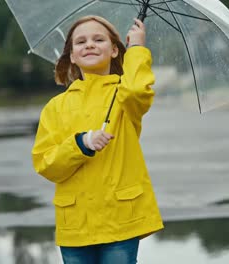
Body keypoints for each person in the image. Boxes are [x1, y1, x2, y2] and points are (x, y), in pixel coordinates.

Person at [32, 15, 163, 264]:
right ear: (71, 55)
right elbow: (46, 164)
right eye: (80, 41)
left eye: (98, 39)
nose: (90, 44)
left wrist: (136, 47)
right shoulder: (56, 107)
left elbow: (137, 89)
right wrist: (81, 143)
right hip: (76, 225)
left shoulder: (125, 98)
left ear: (115, 50)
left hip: (121, 219)